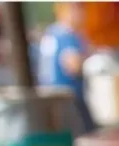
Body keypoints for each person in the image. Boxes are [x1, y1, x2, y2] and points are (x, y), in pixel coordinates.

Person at [38, 3, 94, 131]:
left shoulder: (51, 32)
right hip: (68, 97)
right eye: (79, 10)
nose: (83, 15)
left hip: (50, 96)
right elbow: (73, 65)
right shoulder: (67, 35)